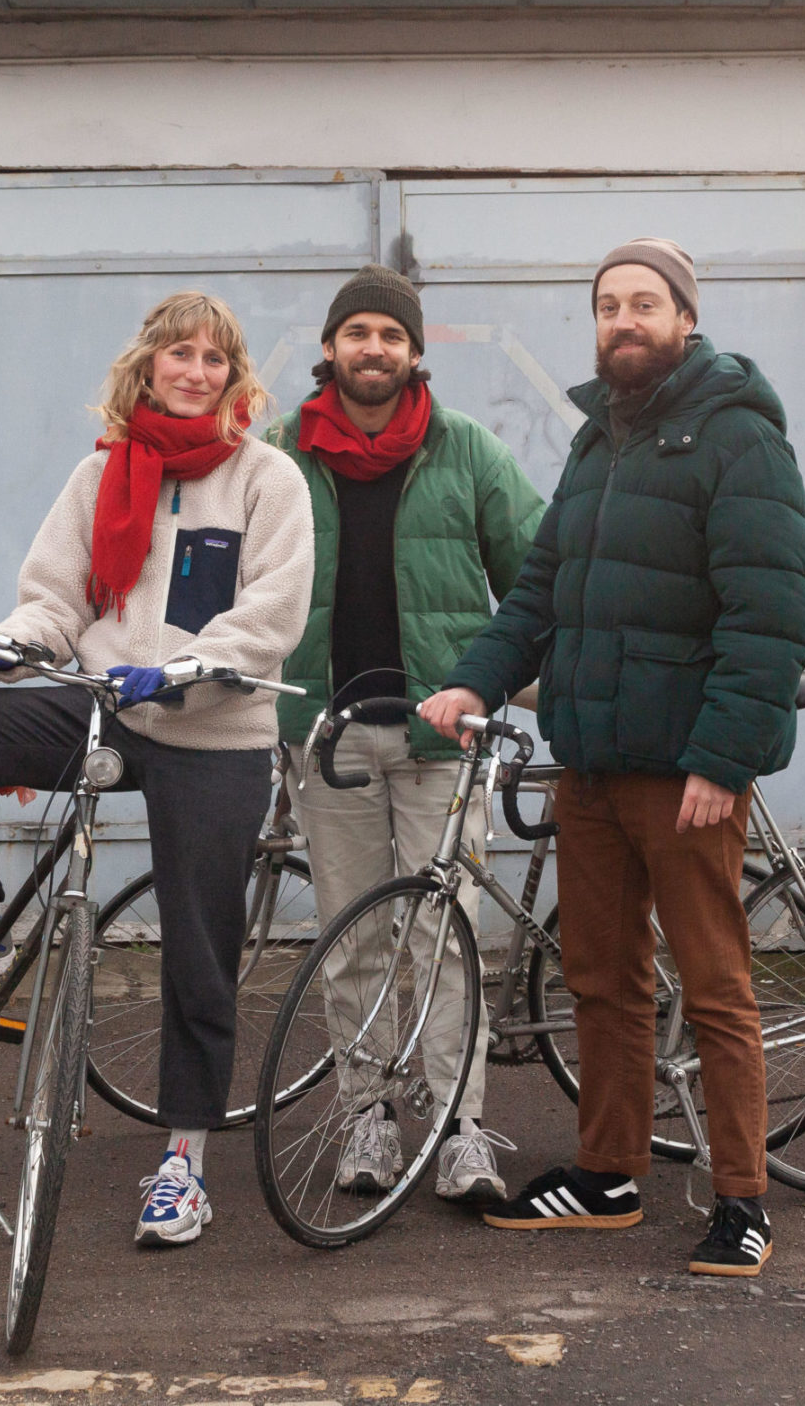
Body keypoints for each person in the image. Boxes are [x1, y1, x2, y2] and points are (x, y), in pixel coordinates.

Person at [0, 291, 314, 1249]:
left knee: (201, 952)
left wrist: (193, 662)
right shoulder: (103, 475)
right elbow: (56, 604)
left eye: (214, 358)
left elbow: (275, 613)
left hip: (215, 728)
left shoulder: (267, 480)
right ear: (148, 366)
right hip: (105, 704)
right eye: (179, 355)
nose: (195, 372)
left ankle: (184, 1164)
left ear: (234, 377)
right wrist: (5, 642)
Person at [420, 238, 805, 1276]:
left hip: (686, 770)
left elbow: (772, 611)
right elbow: (541, 591)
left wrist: (724, 758)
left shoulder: (737, 438)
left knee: (716, 984)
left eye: (644, 302)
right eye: (607, 305)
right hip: (593, 765)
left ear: (686, 318)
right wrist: (475, 677)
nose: (623, 320)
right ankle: (607, 1176)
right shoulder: (599, 442)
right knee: (601, 978)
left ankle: (743, 1200)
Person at [265, 265, 545, 1204]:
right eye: (358, 333)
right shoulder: (280, 458)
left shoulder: (470, 454)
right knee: (354, 941)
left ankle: (463, 1127)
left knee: (447, 933)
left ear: (415, 352)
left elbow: (536, 581)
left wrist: (519, 686)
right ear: (332, 348)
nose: (374, 348)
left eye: (391, 334)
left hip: (442, 746)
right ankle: (367, 1120)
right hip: (327, 737)